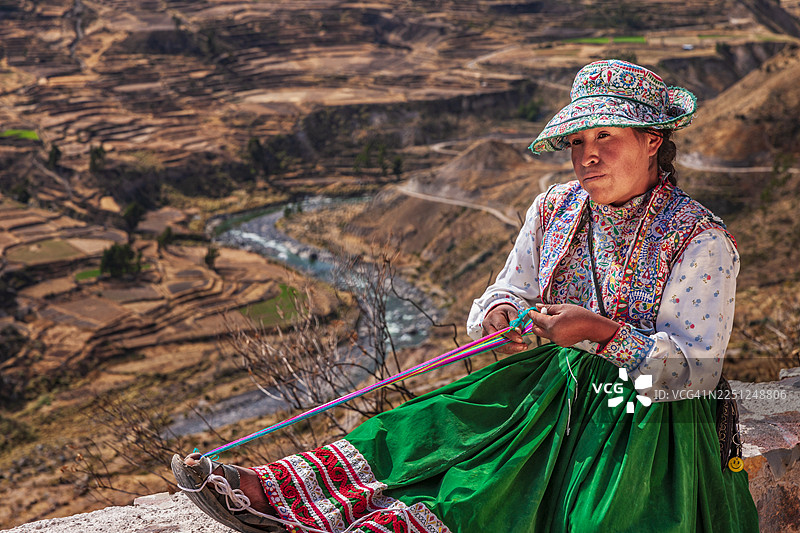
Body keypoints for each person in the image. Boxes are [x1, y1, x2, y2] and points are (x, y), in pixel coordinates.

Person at [173, 59, 759, 532]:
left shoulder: (701, 241)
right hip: (549, 386)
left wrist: (600, 333)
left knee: (524, 506)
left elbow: (695, 373)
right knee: (425, 432)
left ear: (652, 141)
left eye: (605, 137)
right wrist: (502, 311)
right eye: (577, 140)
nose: (587, 156)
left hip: (644, 416)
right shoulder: (555, 207)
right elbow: (508, 287)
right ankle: (270, 491)